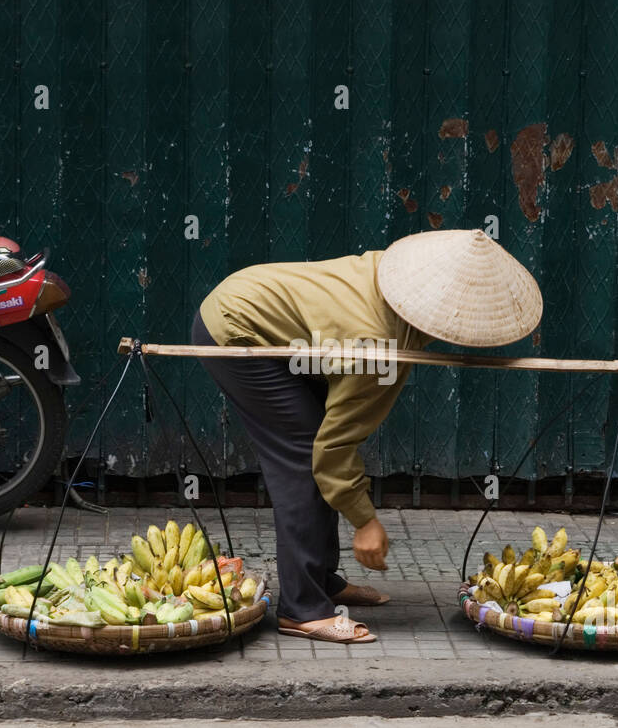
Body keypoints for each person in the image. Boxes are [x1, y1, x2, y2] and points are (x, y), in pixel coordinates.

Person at [192, 228, 542, 643]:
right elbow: (332, 449)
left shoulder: (390, 277)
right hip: (237, 332)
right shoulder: (375, 348)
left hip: (269, 316)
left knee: (312, 447)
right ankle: (302, 608)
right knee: (304, 458)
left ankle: (321, 578)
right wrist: (365, 521)